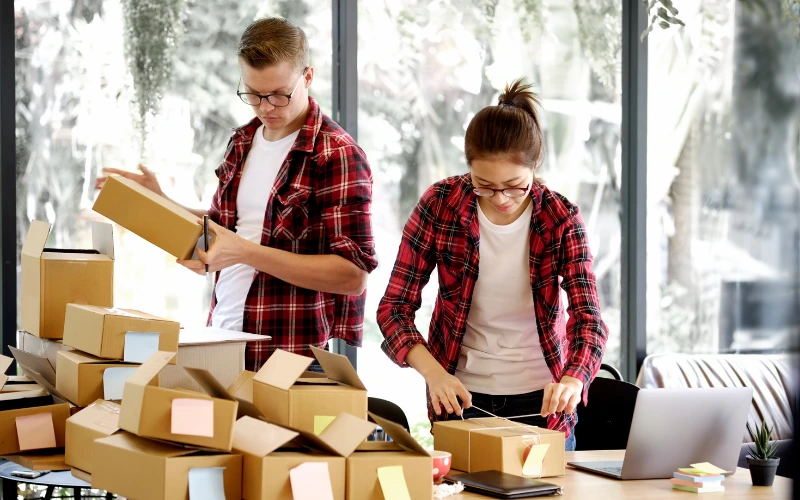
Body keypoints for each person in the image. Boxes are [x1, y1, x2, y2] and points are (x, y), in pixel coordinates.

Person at [97, 17, 377, 371]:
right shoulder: (243, 141)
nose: (265, 108)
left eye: (278, 94)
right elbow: (231, 230)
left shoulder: (335, 153)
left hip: (290, 358)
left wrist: (245, 253)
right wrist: (160, 201)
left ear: (308, 77)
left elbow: (352, 276)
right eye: (254, 94)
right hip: (221, 339)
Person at [376, 79, 608, 450]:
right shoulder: (440, 205)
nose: (500, 198)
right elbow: (394, 310)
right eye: (484, 184)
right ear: (468, 168)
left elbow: (589, 321)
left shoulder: (560, 219)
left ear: (535, 167)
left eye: (515, 185)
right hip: (460, 397)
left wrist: (574, 380)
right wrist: (434, 375)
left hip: (543, 404)